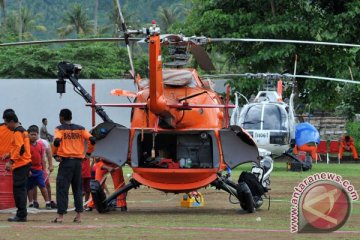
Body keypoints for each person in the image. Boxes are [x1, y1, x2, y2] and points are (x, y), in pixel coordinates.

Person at [52, 109, 96, 223]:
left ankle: (60, 217)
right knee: (78, 189)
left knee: (62, 188)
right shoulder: (80, 129)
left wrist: (55, 154)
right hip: (78, 163)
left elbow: (56, 140)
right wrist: (89, 154)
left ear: (61, 117)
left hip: (66, 162)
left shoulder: (59, 129)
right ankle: (78, 216)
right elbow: (92, 139)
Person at [3, 112, 32, 222]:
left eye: (6, 123)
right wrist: (9, 154)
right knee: (21, 189)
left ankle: (21, 215)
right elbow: (18, 147)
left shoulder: (17, 132)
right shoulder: (23, 130)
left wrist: (10, 162)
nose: (6, 126)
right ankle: (21, 213)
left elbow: (20, 149)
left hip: (21, 164)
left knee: (19, 189)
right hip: (24, 163)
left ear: (11, 121)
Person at [27, 125, 51, 210]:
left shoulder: (40, 145)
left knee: (42, 186)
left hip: (39, 170)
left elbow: (42, 158)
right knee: (30, 187)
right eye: (32, 134)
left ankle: (48, 203)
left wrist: (44, 169)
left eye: (35, 134)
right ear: (28, 135)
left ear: (38, 135)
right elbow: (26, 159)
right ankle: (31, 203)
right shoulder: (26, 146)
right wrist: (28, 170)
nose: (33, 136)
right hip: (30, 170)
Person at [37, 137, 57, 208]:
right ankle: (33, 202)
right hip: (33, 167)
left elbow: (49, 154)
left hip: (43, 167)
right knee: (32, 186)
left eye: (35, 134)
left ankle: (49, 201)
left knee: (46, 184)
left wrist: (51, 165)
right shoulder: (28, 141)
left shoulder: (44, 142)